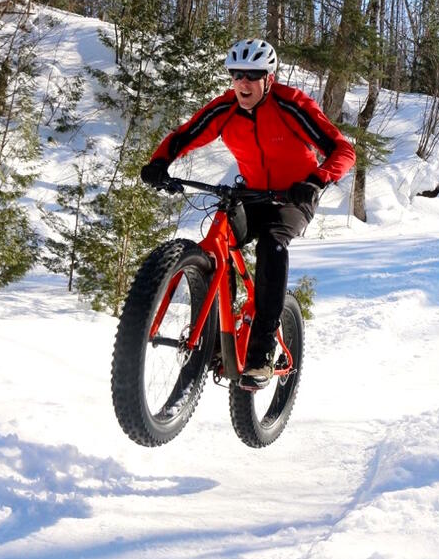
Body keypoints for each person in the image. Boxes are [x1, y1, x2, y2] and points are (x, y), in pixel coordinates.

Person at [141, 37, 355, 389]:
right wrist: (159, 163)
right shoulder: (224, 109)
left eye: (253, 75)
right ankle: (211, 336)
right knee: (217, 242)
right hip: (252, 194)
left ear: (269, 79)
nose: (243, 82)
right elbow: (184, 135)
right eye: (237, 74)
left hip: (294, 196)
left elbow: (341, 149)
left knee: (272, 245)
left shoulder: (292, 105)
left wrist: (317, 180)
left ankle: (261, 349)